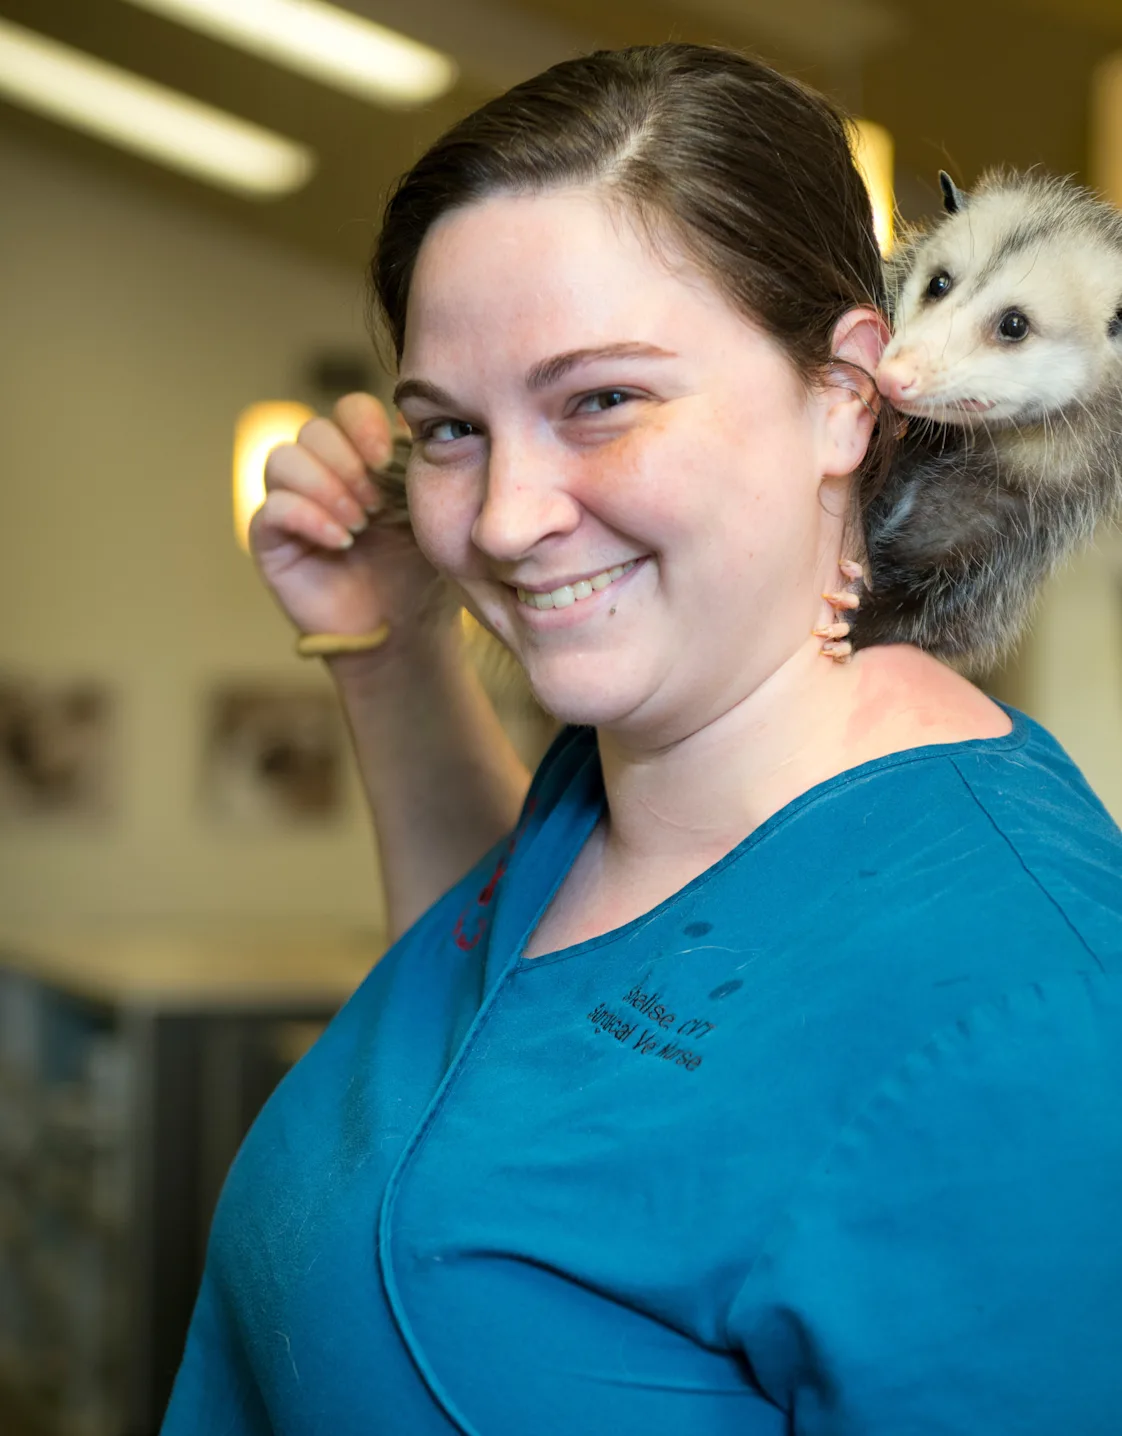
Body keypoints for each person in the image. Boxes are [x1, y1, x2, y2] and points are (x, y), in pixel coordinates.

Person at [161, 43, 1122, 1436]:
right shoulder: (629, 771)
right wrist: (390, 645)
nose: (499, 521)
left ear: (848, 395)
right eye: (445, 428)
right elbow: (487, 1043)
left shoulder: (1026, 1013)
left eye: (600, 399)